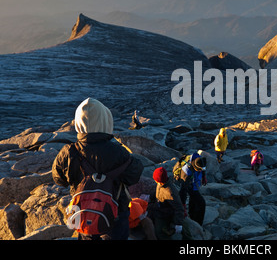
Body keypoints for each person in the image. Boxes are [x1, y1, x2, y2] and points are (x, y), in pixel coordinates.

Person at [52, 97, 144, 240]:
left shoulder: (69, 152)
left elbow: (59, 180)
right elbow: (134, 175)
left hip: (83, 210)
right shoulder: (119, 152)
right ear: (105, 120)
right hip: (116, 212)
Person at [152, 167, 185, 240]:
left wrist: (178, 223)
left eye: (155, 180)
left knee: (159, 232)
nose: (154, 181)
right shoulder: (160, 184)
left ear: (159, 181)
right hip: (158, 208)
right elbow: (158, 193)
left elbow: (179, 208)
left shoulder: (170, 192)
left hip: (165, 214)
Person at [179, 151, 207, 225]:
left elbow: (203, 168)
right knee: (201, 203)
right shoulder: (186, 171)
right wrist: (183, 205)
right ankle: (198, 223)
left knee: (193, 200)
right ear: (195, 167)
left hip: (195, 183)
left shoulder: (201, 160)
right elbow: (183, 190)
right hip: (190, 185)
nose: (202, 170)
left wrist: (204, 177)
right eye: (200, 170)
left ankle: (192, 216)